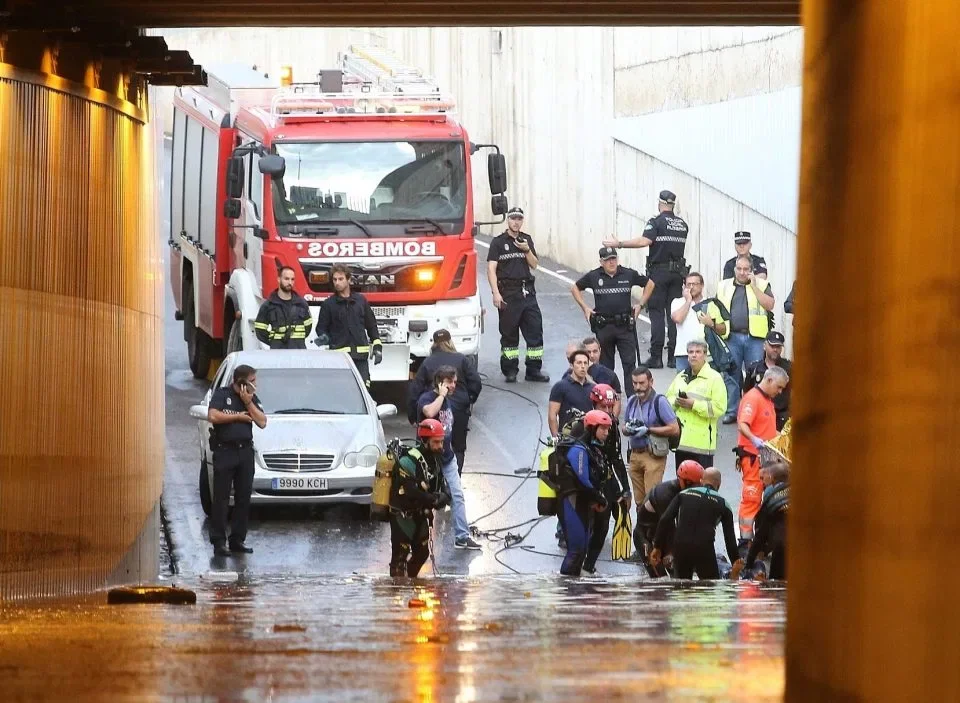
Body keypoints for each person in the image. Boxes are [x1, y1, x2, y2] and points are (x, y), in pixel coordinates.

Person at [603, 189, 689, 369]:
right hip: (677, 274)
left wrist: (620, 244)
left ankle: (656, 356)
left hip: (659, 273)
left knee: (657, 313)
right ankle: (673, 356)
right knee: (672, 314)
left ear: (660, 204)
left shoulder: (656, 222)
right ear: (673, 205)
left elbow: (644, 241)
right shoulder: (682, 224)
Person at [417, 366, 482, 550]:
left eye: (455, 382)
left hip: (447, 457)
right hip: (428, 460)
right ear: (440, 383)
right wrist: (442, 396)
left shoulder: (448, 402)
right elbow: (428, 413)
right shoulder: (428, 398)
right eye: (449, 382)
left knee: (457, 495)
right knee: (424, 497)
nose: (453, 386)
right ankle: (417, 536)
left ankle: (462, 536)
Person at [571, 247, 654, 389]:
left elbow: (650, 284)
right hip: (604, 327)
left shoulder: (628, 274)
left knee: (629, 365)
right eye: (608, 260)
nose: (611, 262)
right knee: (606, 368)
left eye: (613, 259)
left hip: (625, 327)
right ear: (601, 262)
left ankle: (633, 401)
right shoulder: (594, 276)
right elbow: (575, 288)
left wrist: (640, 304)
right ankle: (608, 400)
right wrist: (585, 307)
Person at [206, 364, 267, 557]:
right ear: (242, 382)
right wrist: (238, 418)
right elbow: (212, 415)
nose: (256, 384)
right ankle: (219, 541)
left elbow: (262, 422)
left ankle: (237, 539)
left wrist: (248, 403)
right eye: (253, 380)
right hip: (225, 452)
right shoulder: (222, 395)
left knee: (243, 497)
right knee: (221, 498)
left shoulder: (251, 398)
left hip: (245, 452)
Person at [485, 206, 549, 383]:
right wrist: (495, 293)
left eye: (519, 219)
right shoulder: (498, 242)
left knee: (535, 331)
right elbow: (491, 269)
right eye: (513, 218)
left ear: (522, 221)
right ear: (508, 220)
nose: (516, 222)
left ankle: (533, 370)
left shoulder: (526, 239)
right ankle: (510, 370)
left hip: (527, 292)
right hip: (508, 293)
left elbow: (534, 265)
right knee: (509, 334)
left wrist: (527, 250)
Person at [407, 329, 483, 473]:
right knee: (458, 447)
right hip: (459, 410)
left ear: (434, 344)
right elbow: (476, 383)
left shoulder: (428, 362)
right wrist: (468, 400)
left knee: (431, 446)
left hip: (436, 411)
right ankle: (455, 478)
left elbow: (415, 390)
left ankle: (433, 478)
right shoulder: (462, 359)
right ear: (450, 342)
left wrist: (413, 416)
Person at [650, 468, 742, 580]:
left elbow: (665, 519)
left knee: (681, 587)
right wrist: (735, 563)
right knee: (710, 589)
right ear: (719, 484)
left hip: (680, 547)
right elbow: (730, 540)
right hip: (704, 550)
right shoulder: (723, 504)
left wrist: (657, 547)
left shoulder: (683, 494)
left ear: (701, 480)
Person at [716, 255, 776, 424]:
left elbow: (770, 305)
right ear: (734, 269)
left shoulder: (762, 285)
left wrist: (754, 287)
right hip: (731, 336)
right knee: (731, 375)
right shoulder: (723, 286)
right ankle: (732, 411)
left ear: (751, 271)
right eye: (739, 269)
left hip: (754, 338)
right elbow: (716, 308)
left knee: (756, 375)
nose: (742, 272)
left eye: (746, 269)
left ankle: (754, 412)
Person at [388, 419, 452, 577]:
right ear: (425, 441)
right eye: (436, 442)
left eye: (441, 442)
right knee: (399, 558)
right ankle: (396, 593)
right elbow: (411, 491)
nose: (440, 446)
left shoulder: (435, 460)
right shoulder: (407, 461)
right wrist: (433, 500)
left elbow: (443, 484)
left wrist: (444, 496)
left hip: (421, 515)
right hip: (403, 516)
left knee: (422, 554)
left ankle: (411, 585)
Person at [736, 366, 790, 547]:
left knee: (763, 500)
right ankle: (745, 542)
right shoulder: (753, 398)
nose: (780, 391)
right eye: (779, 387)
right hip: (753, 458)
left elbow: (769, 431)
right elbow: (743, 424)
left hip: (763, 460)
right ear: (769, 380)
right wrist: (754, 440)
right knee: (751, 499)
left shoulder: (767, 401)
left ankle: (758, 541)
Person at [555, 410, 613, 576]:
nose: (607, 433)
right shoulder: (579, 449)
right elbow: (583, 481)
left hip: (582, 504)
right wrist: (599, 498)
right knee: (576, 550)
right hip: (571, 501)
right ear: (593, 428)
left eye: (608, 429)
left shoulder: (593, 449)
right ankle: (564, 591)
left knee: (581, 551)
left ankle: (574, 595)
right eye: (603, 429)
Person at [582, 384, 632, 574]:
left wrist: (625, 489)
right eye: (604, 407)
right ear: (594, 404)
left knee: (602, 527)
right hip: (585, 483)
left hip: (605, 479)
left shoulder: (611, 426)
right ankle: (577, 561)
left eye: (611, 407)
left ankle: (588, 566)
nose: (609, 412)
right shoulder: (582, 425)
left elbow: (616, 459)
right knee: (585, 526)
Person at [315, 263, 383, 388]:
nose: (337, 283)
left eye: (340, 279)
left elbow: (371, 325)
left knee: (363, 389)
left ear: (349, 280)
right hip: (339, 359)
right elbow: (321, 328)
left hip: (360, 358)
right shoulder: (328, 305)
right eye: (334, 279)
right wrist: (323, 337)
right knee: (343, 391)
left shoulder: (361, 301)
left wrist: (378, 346)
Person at [633, 459, 704, 576]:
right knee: (659, 579)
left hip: (661, 534)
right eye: (695, 486)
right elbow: (667, 525)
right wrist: (670, 552)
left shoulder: (684, 492)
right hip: (646, 537)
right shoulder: (664, 494)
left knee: (678, 576)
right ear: (685, 482)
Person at [665, 340, 727, 469]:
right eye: (691, 352)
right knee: (682, 485)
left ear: (705, 355)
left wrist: (693, 405)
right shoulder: (681, 377)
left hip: (702, 446)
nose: (694, 355)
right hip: (681, 443)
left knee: (700, 486)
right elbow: (666, 402)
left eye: (698, 352)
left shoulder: (714, 379)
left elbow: (719, 408)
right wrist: (676, 402)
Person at [623, 367, 680, 506]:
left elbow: (674, 429)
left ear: (651, 382)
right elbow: (624, 427)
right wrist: (628, 429)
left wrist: (649, 430)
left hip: (653, 455)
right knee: (639, 502)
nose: (638, 387)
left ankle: (654, 528)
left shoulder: (659, 401)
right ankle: (644, 528)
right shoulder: (631, 401)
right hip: (635, 456)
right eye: (635, 383)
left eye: (642, 383)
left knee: (651, 501)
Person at [745, 462, 790, 580]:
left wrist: (749, 563)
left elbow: (761, 534)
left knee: (776, 587)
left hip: (782, 550)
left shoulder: (772, 499)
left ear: (772, 478)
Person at [254, 266, 313, 349]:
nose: (290, 282)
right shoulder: (268, 305)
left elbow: (308, 327)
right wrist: (274, 342)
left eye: (292, 279)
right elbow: (260, 330)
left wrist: (296, 341)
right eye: (286, 279)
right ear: (279, 279)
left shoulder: (302, 304)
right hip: (278, 353)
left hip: (298, 353)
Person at [743, 331, 793, 430]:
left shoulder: (790, 368)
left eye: (778, 347)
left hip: (781, 417)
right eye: (772, 346)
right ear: (764, 346)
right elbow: (746, 393)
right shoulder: (754, 368)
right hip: (759, 417)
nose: (775, 349)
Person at [548, 348, 595, 438]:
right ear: (571, 365)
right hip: (568, 438)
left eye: (585, 363)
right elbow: (552, 415)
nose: (582, 366)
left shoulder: (593, 388)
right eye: (579, 363)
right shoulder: (560, 386)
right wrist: (556, 437)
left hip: (588, 438)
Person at [579, 336, 623, 412]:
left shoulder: (610, 375)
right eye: (588, 352)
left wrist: (613, 421)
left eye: (595, 351)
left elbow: (617, 400)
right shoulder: (574, 374)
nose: (592, 356)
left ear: (600, 351)